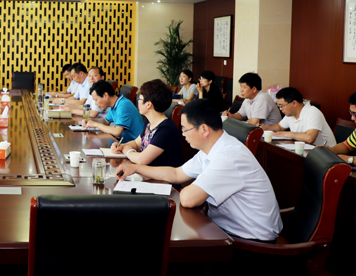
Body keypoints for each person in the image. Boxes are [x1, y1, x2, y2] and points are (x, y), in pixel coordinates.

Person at [117, 99, 282, 242]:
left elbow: (188, 199)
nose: (183, 135)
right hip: (224, 229)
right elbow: (176, 174)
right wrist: (136, 168)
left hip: (250, 242)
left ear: (204, 129)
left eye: (185, 129)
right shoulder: (211, 147)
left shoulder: (229, 157)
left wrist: (191, 188)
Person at [110, 79, 182, 167]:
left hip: (157, 175)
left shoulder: (166, 129)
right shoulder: (150, 122)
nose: (138, 102)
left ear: (148, 104)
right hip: (145, 172)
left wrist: (127, 151)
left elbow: (141, 160)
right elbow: (136, 143)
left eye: (139, 99)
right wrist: (121, 146)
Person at [260, 87, 335, 146]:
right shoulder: (291, 113)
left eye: (282, 106)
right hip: (306, 150)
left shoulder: (312, 112)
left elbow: (310, 138)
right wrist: (264, 127)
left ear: (294, 103)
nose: (280, 109)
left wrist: (287, 134)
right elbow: (279, 127)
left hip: (326, 154)